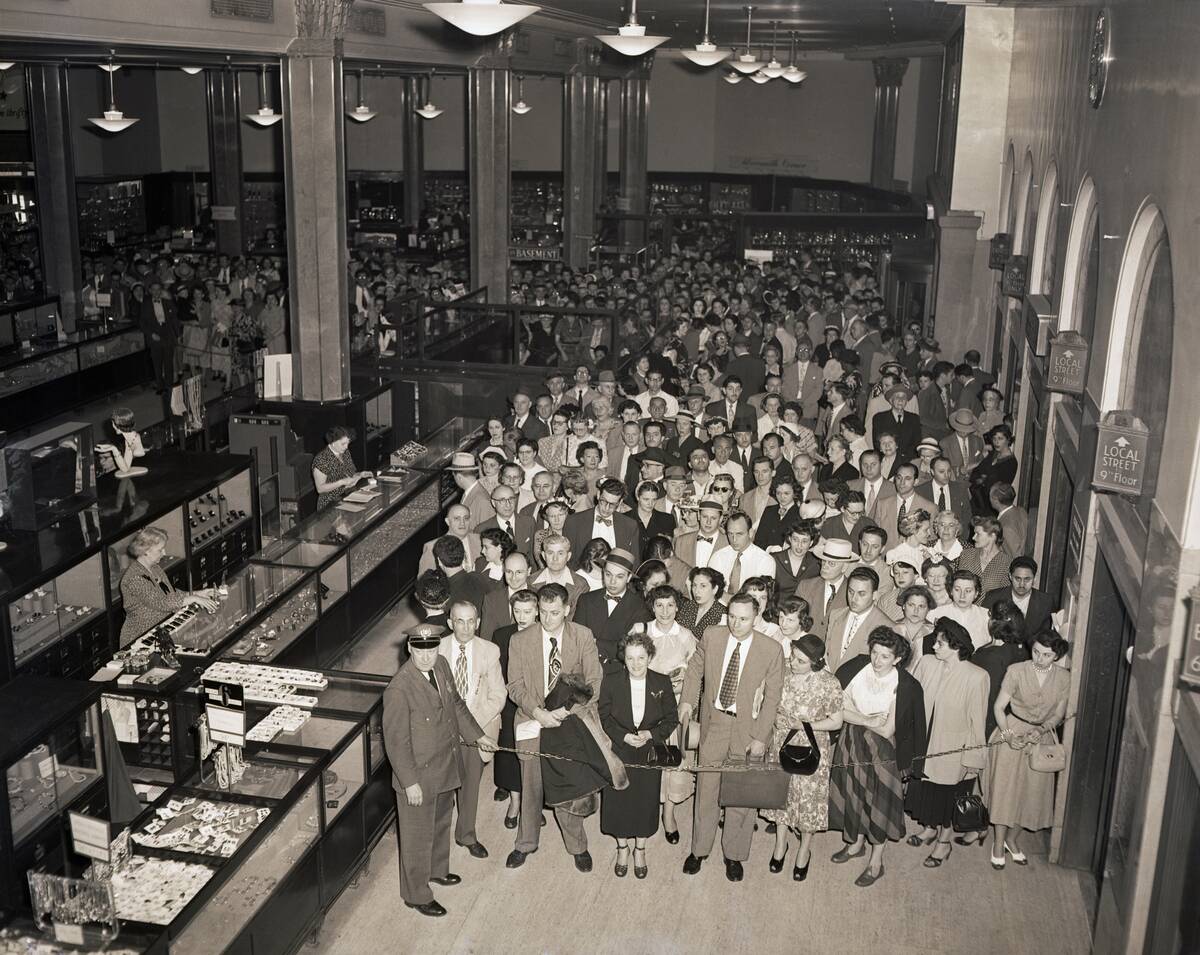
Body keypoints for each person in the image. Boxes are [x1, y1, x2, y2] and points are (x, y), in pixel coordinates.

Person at [382, 625, 491, 918]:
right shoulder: (399, 689)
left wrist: (477, 735)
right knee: (417, 836)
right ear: (410, 649)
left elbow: (455, 704)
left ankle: (436, 870)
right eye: (421, 651)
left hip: (445, 763)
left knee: (440, 822)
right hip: (418, 775)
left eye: (432, 650)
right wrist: (409, 782)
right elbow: (396, 742)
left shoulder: (441, 665)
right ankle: (416, 894)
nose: (427, 657)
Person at [679, 593, 784, 882]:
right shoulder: (713, 636)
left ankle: (734, 855)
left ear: (757, 615)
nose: (736, 624)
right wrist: (687, 701)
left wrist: (761, 736)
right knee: (706, 791)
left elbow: (773, 699)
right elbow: (694, 668)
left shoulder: (771, 649)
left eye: (744, 618)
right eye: (732, 617)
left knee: (741, 795)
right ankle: (699, 850)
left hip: (747, 730)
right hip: (714, 724)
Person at [505, 584, 604, 872]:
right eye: (543, 613)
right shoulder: (520, 640)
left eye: (554, 613)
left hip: (570, 720)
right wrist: (537, 712)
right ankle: (525, 843)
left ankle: (578, 846)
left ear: (567, 610)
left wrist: (563, 712)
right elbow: (515, 686)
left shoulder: (582, 636)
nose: (547, 620)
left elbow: (593, 683)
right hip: (531, 718)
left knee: (567, 786)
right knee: (531, 785)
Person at [828, 627, 927, 887]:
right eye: (874, 652)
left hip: (882, 750)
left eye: (885, 656)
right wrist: (866, 718)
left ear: (897, 659)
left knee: (879, 802)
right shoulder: (857, 668)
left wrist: (856, 716)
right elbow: (837, 707)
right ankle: (856, 844)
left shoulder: (904, 685)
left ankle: (876, 861)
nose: (877, 660)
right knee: (854, 794)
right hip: (850, 742)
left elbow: (886, 729)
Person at [905, 619, 989, 867]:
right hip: (925, 746)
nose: (934, 647)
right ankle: (929, 830)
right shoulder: (928, 663)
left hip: (952, 751)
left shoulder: (977, 677)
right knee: (926, 794)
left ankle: (944, 842)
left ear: (955, 646)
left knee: (946, 799)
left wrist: (973, 760)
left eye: (939, 643)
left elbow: (977, 722)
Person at [984, 630, 1071, 869]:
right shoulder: (1016, 670)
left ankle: (1013, 839)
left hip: (1041, 737)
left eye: (1046, 655)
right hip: (1012, 729)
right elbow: (999, 707)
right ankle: (999, 843)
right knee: (1005, 790)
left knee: (1033, 793)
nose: (1039, 658)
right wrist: (1008, 736)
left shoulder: (1064, 678)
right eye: (1036, 652)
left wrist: (1042, 729)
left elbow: (1058, 713)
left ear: (1056, 655)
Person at [598, 631, 680, 878]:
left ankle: (640, 849)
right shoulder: (611, 680)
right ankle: (622, 848)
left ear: (649, 657)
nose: (635, 664)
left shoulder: (661, 682)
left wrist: (650, 734)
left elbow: (671, 719)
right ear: (624, 658)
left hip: (648, 752)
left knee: (645, 800)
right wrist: (621, 736)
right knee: (619, 801)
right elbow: (604, 716)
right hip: (620, 751)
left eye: (641, 658)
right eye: (630, 658)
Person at [764, 632, 844, 880]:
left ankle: (804, 851)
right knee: (782, 796)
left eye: (800, 660)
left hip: (811, 747)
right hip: (781, 744)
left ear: (816, 662)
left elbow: (836, 721)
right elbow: (770, 705)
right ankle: (780, 844)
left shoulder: (829, 683)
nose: (792, 663)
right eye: (793, 657)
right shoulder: (785, 676)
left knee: (808, 802)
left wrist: (804, 725)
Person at [438, 601, 507, 860]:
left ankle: (466, 834)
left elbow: (499, 695)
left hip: (478, 728)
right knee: (442, 783)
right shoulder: (437, 649)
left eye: (470, 621)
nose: (465, 627)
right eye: (459, 621)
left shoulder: (490, 651)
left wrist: (469, 726)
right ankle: (438, 836)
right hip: (443, 728)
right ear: (449, 623)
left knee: (470, 786)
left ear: (477, 622)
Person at [639, 584, 699, 841]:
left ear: (678, 607)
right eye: (659, 605)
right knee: (646, 758)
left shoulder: (686, 636)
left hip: (674, 708)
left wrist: (683, 678)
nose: (665, 611)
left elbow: (696, 675)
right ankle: (646, 807)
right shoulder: (641, 631)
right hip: (644, 707)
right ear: (652, 607)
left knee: (673, 760)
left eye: (670, 605)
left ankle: (669, 813)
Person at [118, 527, 218, 643]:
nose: (164, 553)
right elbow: (161, 603)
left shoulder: (155, 568)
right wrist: (194, 598)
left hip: (161, 632)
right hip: (141, 638)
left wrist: (198, 593)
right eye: (160, 550)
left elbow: (170, 594)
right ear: (146, 551)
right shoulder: (134, 578)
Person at [491, 589, 539, 826]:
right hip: (510, 705)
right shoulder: (502, 635)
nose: (522, 616)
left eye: (527, 611)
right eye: (517, 611)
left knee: (534, 756)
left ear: (537, 611)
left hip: (538, 705)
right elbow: (496, 675)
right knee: (510, 756)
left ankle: (534, 805)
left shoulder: (545, 635)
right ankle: (515, 802)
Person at [572, 548, 652, 676]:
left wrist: (594, 643)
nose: (612, 581)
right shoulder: (586, 599)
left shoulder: (640, 607)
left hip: (620, 675)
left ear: (629, 577)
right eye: (608, 574)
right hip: (585, 671)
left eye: (619, 576)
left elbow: (630, 650)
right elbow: (576, 640)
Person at [824, 567, 897, 672]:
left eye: (861, 594)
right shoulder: (836, 615)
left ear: (874, 595)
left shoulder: (887, 627)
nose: (853, 599)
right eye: (850, 591)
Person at [981, 556, 1056, 636]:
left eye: (1027, 579)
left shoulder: (1046, 602)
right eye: (1018, 578)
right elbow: (983, 630)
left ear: (1034, 579)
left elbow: (1046, 635)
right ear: (1010, 576)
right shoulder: (993, 597)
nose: (1022, 584)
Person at [312, 426, 372, 511]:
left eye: (348, 443)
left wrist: (360, 475)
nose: (346, 447)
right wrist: (341, 482)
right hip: (330, 504)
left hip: (347, 497)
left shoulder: (345, 452)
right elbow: (320, 489)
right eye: (343, 444)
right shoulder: (321, 460)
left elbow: (350, 474)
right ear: (332, 442)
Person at [929, 569, 991, 649]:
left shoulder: (986, 616)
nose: (962, 596)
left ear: (976, 594)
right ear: (951, 591)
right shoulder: (935, 613)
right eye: (957, 590)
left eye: (968, 591)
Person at [969, 425, 1018, 517]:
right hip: (978, 500)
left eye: (1000, 438)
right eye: (994, 438)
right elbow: (976, 471)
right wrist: (982, 479)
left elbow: (1000, 488)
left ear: (1008, 440)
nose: (996, 442)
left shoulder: (1011, 463)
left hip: (992, 506)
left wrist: (982, 479)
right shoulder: (993, 454)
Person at [958, 516, 1010, 595]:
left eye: (978, 534)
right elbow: (959, 585)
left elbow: (1004, 594)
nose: (973, 537)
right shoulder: (966, 555)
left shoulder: (1006, 562)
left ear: (993, 536)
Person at [892, 584, 936, 664]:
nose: (916, 611)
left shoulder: (935, 633)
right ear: (904, 606)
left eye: (921, 606)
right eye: (911, 605)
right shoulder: (892, 629)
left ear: (928, 609)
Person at [95, 407, 146, 476]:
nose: (113, 426)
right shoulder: (128, 441)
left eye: (114, 423)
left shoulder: (136, 439)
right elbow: (125, 469)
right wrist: (113, 449)